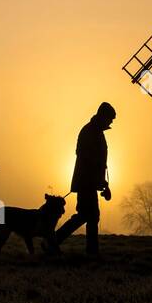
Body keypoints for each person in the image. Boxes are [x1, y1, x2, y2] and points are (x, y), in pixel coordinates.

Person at [55, 102, 115, 255]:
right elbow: (89, 160)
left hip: (88, 182)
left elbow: (97, 162)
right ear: (103, 116)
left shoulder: (94, 131)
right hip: (86, 182)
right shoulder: (90, 132)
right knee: (88, 216)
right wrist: (99, 181)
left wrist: (102, 182)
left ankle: (90, 250)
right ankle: (54, 241)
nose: (111, 123)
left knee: (88, 216)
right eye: (110, 119)